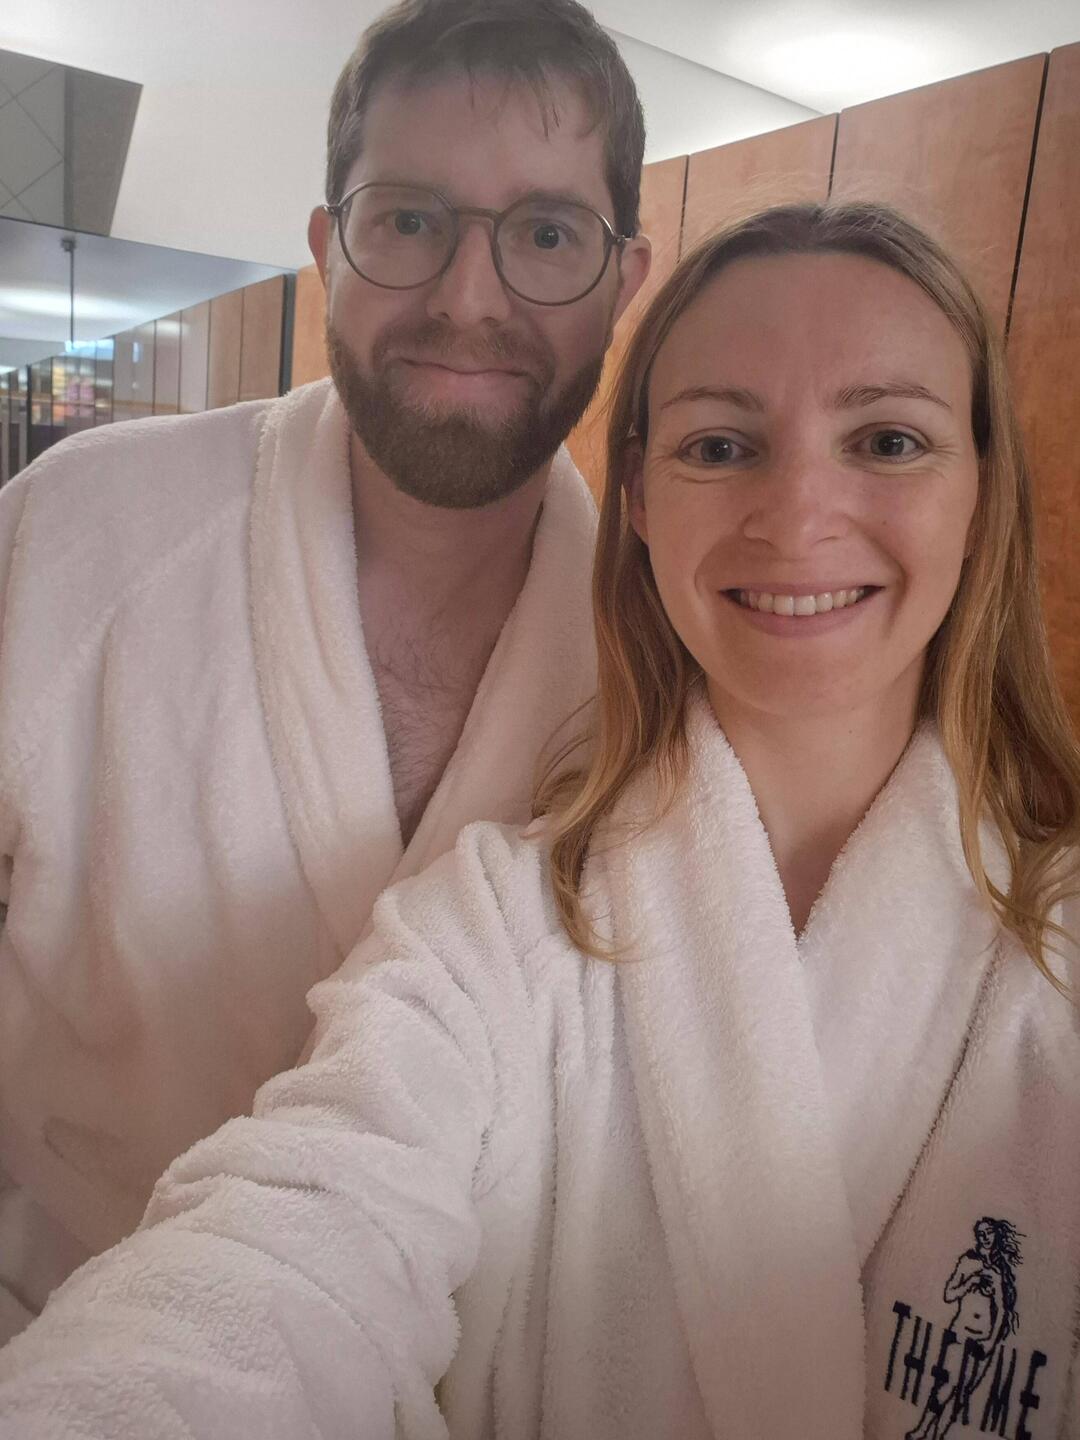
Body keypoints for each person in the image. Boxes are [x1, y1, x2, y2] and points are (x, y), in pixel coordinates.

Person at [1, 201, 1078, 1440]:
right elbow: (297, 1241)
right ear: (639, 496)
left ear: (982, 491)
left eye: (888, 440)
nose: (797, 515)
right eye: (721, 445)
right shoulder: (491, 928)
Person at [0, 0, 651, 1343]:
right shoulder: (79, 528)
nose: (469, 298)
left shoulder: (663, 660)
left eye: (545, 235)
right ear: (326, 246)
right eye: (408, 219)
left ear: (624, 279)